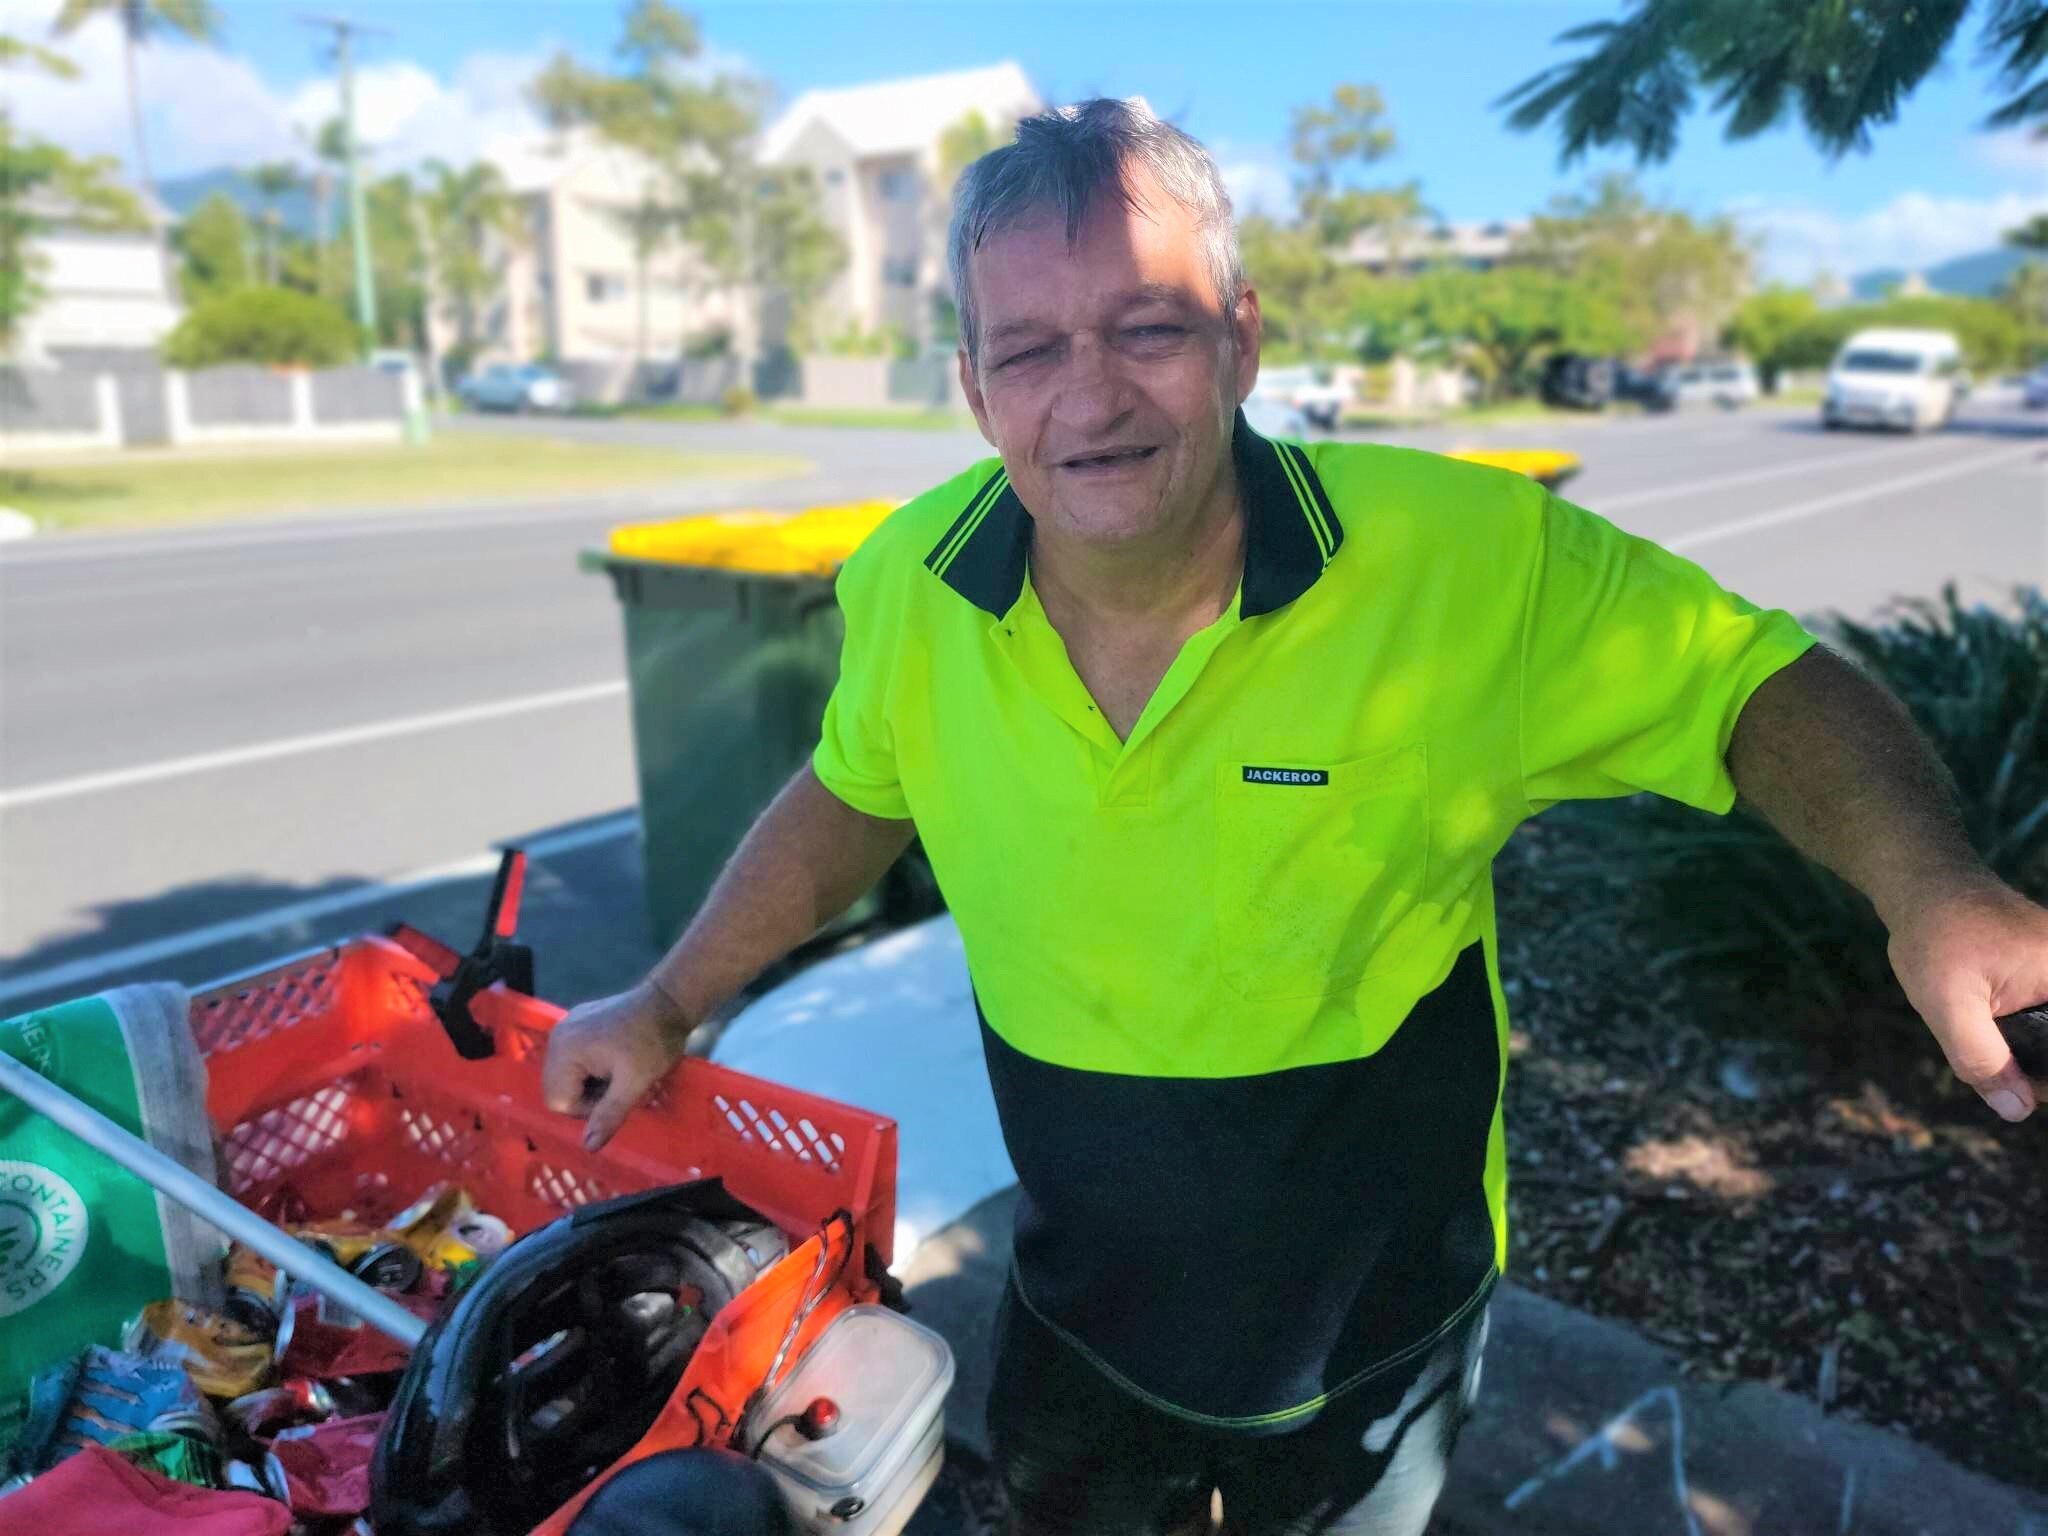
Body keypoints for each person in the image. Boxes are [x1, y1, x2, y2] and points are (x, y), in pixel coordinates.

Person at [544, 98, 2048, 1536]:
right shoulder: (907, 585)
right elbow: (850, 796)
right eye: (1032, 349)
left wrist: (1929, 883)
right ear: (974, 385)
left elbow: (1749, 686)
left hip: (1378, 1325)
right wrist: (667, 1001)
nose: (1093, 396)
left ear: (1243, 337)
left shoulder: (1462, 568)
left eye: (1150, 329)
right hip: (1079, 1291)